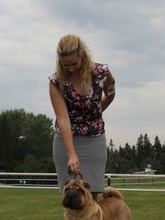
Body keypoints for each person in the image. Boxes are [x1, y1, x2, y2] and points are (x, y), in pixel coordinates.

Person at [49, 34, 116, 201]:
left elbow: (111, 91)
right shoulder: (56, 81)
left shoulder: (101, 73)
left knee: (91, 198)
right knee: (71, 198)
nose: (70, 68)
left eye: (74, 63)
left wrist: (98, 111)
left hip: (94, 140)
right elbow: (63, 118)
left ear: (83, 56)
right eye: (65, 65)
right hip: (66, 139)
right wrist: (71, 154)